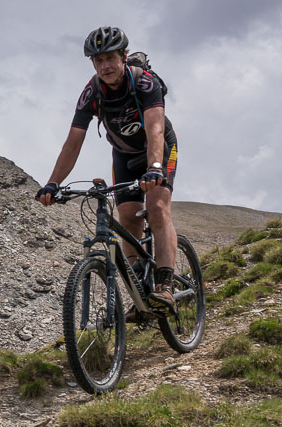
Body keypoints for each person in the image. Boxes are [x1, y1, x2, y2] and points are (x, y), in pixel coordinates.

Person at [36, 26, 178, 310]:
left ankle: (166, 285)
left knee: (157, 207)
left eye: (110, 58)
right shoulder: (92, 92)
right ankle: (140, 290)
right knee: (127, 216)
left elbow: (155, 128)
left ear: (124, 56)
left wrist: (155, 167)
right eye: (98, 60)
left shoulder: (144, 83)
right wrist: (52, 183)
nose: (105, 66)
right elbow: (73, 141)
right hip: (124, 155)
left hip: (160, 148)